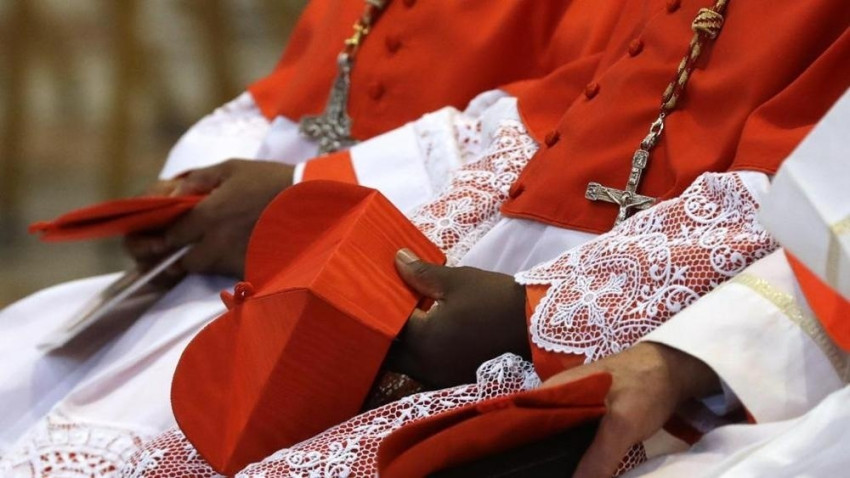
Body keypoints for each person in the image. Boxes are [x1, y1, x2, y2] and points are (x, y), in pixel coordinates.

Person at [115, 1, 850, 477]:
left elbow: (805, 200)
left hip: (706, 316)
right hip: (513, 246)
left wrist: (545, 317)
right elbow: (556, 108)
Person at [0, 0, 623, 474]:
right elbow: (308, 76)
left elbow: (573, 112)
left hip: (426, 258)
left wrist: (305, 188)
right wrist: (204, 185)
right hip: (257, 250)